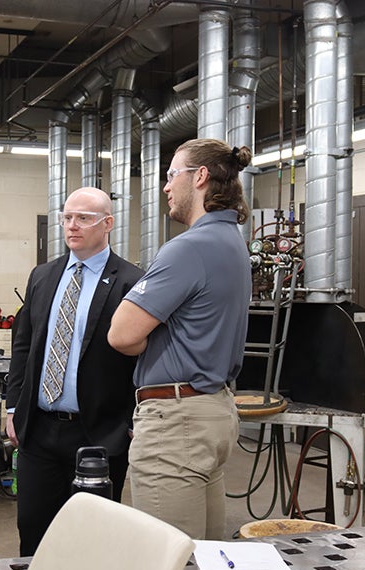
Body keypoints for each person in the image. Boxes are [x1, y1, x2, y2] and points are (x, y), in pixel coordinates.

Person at [107, 139, 252, 540]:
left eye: (172, 175)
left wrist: (148, 338)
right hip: (213, 412)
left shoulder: (188, 248)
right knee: (202, 558)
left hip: (177, 423)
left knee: (166, 561)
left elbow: (121, 335)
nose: (167, 186)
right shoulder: (231, 243)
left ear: (200, 177)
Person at [5, 186, 144, 556]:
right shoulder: (43, 276)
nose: (72, 226)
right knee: (32, 527)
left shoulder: (132, 282)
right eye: (67, 217)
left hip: (99, 431)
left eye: (84, 218)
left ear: (108, 224)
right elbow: (23, 346)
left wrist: (133, 420)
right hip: (38, 428)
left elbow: (143, 359)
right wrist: (12, 408)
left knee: (93, 538)